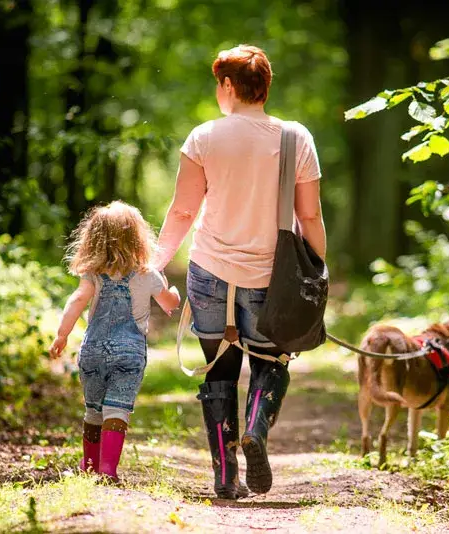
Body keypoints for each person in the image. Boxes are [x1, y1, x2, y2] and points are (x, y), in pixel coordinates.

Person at [154, 44, 326, 499]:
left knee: (218, 371)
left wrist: (155, 266)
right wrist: (316, 272)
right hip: (272, 278)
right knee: (272, 361)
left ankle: (226, 477)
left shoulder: (204, 137)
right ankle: (255, 429)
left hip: (210, 273)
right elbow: (309, 218)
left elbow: (182, 211)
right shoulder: (295, 138)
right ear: (264, 87)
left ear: (228, 86)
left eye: (218, 83)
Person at [49, 201, 181, 482]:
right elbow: (169, 302)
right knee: (117, 409)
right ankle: (107, 470)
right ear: (138, 238)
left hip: (93, 350)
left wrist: (62, 334)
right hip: (129, 353)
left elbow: (77, 300)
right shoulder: (148, 274)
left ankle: (88, 468)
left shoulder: (93, 274)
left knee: (93, 410)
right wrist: (176, 294)